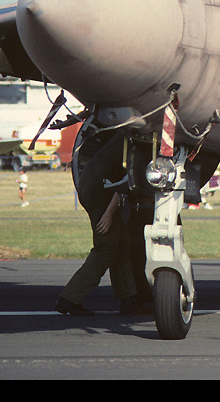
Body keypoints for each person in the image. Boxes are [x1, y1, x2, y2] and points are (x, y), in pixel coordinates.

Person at [56, 134, 141, 317]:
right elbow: (125, 181)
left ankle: (129, 300)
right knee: (106, 248)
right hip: (101, 190)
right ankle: (69, 298)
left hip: (94, 185)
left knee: (122, 244)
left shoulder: (125, 136)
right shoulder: (139, 139)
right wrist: (108, 214)